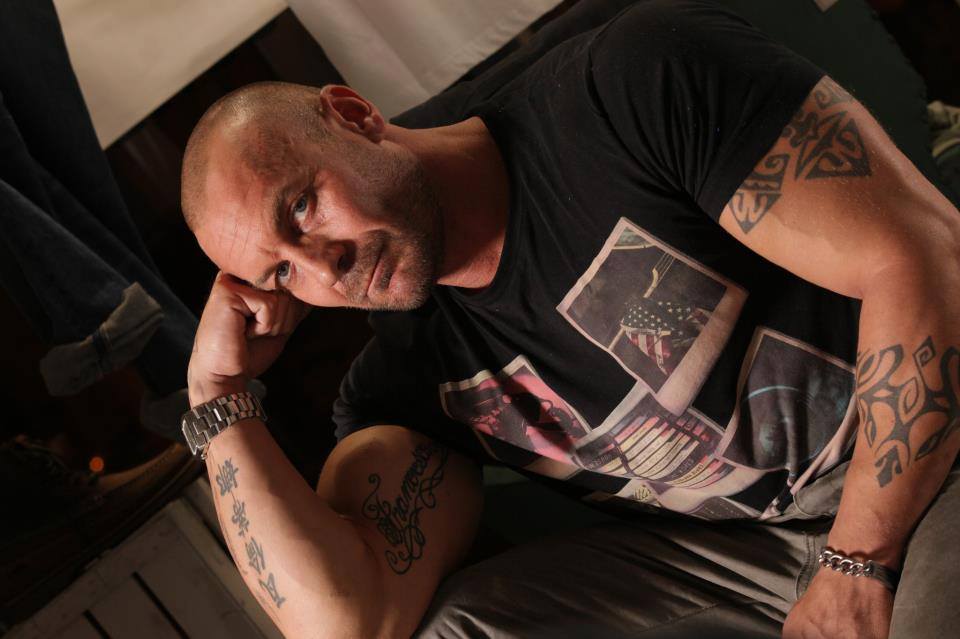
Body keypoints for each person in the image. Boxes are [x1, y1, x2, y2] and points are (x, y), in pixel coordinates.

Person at [178, 1, 960, 637]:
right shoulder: (412, 378)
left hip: (926, 458)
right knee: (454, 630)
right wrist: (216, 396)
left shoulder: (630, 83)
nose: (324, 268)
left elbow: (923, 257)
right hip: (755, 559)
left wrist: (858, 560)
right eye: (282, 272)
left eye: (302, 208)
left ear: (352, 115)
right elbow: (346, 622)